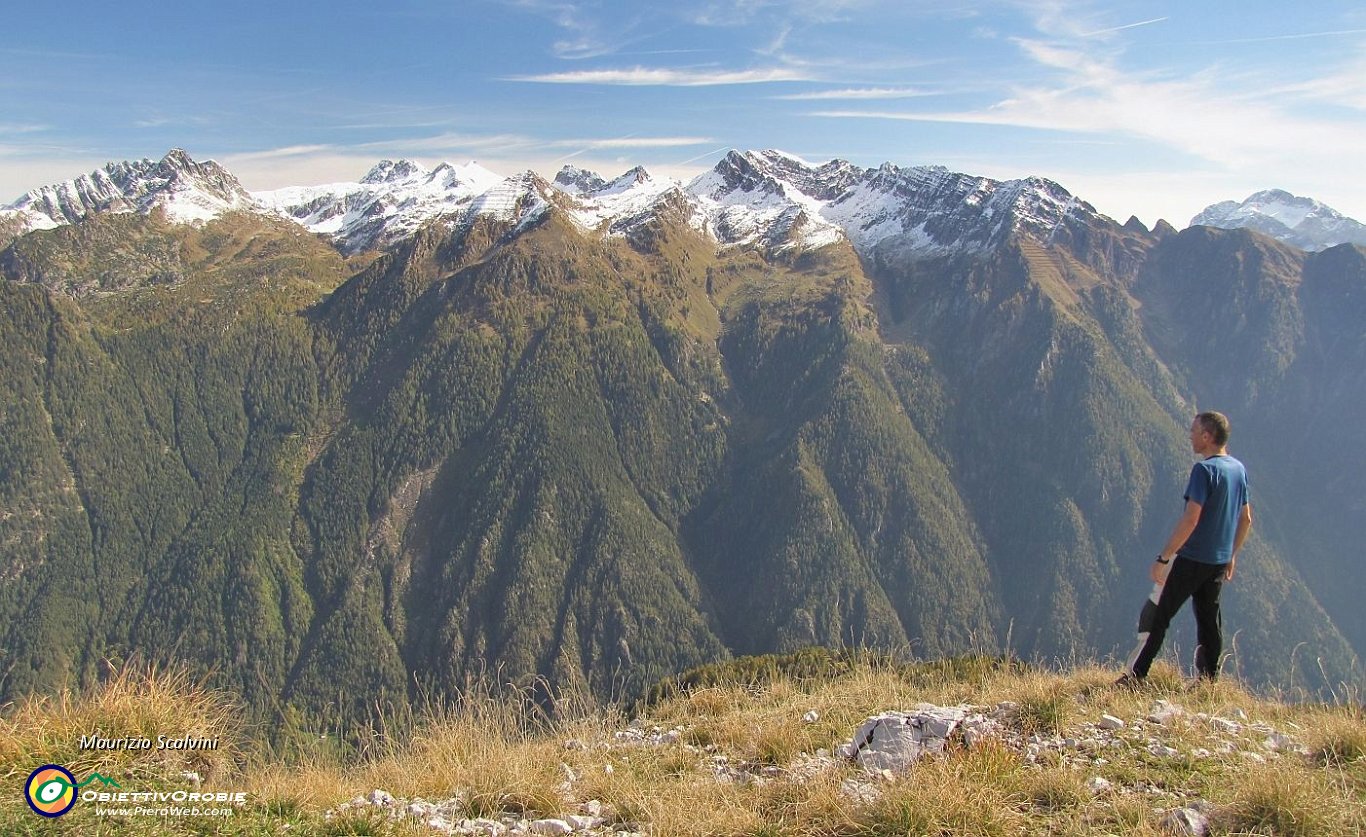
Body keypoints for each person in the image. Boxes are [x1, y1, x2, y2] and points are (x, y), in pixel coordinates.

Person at [1118, 411, 1252, 687]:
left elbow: (1191, 518)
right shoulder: (1238, 469)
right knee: (1209, 621)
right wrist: (1231, 555)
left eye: (1194, 431)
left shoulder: (1204, 471)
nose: (1190, 435)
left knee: (1157, 615)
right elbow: (1246, 518)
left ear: (1207, 436)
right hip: (1217, 562)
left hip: (1191, 559)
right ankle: (1208, 681)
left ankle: (1135, 677)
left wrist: (1164, 557)